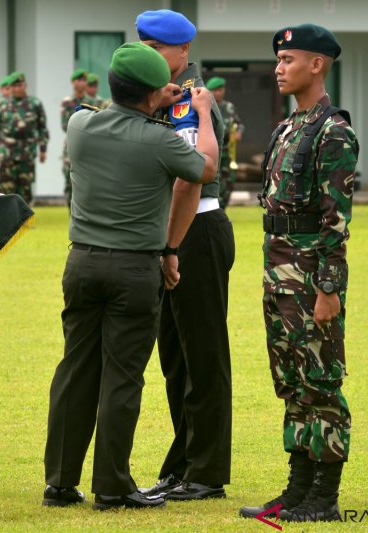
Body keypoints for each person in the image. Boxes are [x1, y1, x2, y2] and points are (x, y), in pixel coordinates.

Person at [42, 42, 219, 511]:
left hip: (80, 262)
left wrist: (144, 99)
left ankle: (60, 481)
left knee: (75, 370)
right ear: (150, 96)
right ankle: (113, 484)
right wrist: (200, 113)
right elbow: (205, 167)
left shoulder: (80, 124)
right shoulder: (159, 140)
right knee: (122, 376)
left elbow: (109, 112)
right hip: (133, 268)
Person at [240, 24, 358, 523]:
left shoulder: (334, 131)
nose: (279, 67)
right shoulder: (288, 128)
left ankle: (324, 498)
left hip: (311, 278)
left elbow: (337, 219)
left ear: (318, 64)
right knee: (291, 382)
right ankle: (296, 490)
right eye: (278, 59)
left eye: (289, 59)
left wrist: (329, 289)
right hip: (278, 274)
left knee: (321, 382)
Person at [137, 9, 236, 502]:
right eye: (144, 47)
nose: (151, 56)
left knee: (202, 354)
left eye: (158, 49)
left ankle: (206, 472)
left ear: (182, 52)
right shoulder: (160, 98)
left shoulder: (188, 103)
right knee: (175, 359)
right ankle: (183, 464)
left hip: (194, 231)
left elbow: (188, 177)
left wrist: (170, 245)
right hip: (170, 233)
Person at [0, 71, 48, 203]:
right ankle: (6, 222)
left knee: (25, 189)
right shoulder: (1, 105)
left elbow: (42, 128)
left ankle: (24, 221)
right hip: (6, 153)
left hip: (27, 153)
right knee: (5, 189)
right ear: (10, 88)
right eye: (14, 86)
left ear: (25, 86)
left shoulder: (35, 104)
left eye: (19, 85)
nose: (17, 89)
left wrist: (43, 149)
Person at [206, 77, 244, 209]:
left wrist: (238, 132)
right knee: (211, 182)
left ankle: (222, 209)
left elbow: (238, 124)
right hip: (212, 152)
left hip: (228, 152)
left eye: (220, 90)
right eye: (215, 90)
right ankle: (213, 210)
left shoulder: (229, 107)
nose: (218, 93)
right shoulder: (206, 106)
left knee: (228, 182)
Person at [59, 68, 92, 207]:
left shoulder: (95, 101)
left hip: (91, 147)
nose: (82, 83)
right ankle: (72, 214)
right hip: (71, 146)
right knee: (69, 183)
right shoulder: (67, 102)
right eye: (79, 80)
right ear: (73, 82)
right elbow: (64, 125)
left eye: (84, 80)